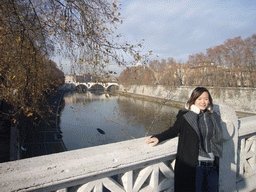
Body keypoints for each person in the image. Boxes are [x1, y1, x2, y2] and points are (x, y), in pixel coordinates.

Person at [146, 87, 229, 192]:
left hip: (212, 165)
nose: (203, 102)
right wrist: (159, 137)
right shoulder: (186, 116)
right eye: (199, 99)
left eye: (206, 99)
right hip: (194, 165)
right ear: (193, 100)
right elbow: (174, 130)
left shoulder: (214, 117)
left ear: (210, 100)